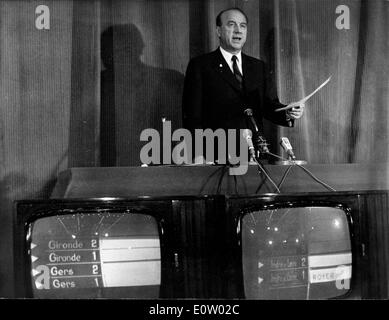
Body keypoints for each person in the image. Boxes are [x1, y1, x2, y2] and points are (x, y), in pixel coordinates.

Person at [182, 7, 304, 162]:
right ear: (218, 31)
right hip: (215, 156)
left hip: (254, 155)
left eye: (243, 26)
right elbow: (193, 116)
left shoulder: (259, 67)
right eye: (231, 25)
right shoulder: (200, 66)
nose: (238, 31)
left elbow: (268, 106)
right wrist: (198, 155)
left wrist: (288, 111)